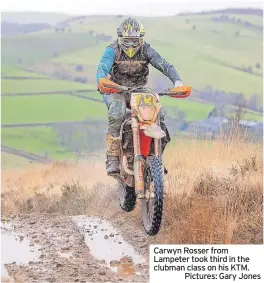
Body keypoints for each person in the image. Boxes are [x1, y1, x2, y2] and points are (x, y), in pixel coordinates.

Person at [96, 17, 183, 176]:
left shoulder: (147, 50)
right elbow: (102, 67)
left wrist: (177, 82)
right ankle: (113, 157)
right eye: (127, 41)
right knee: (117, 111)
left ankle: (155, 157)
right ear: (120, 38)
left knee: (159, 113)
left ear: (141, 39)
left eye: (134, 41)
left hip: (140, 89)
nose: (130, 45)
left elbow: (164, 65)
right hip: (117, 89)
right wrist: (101, 80)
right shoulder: (112, 50)